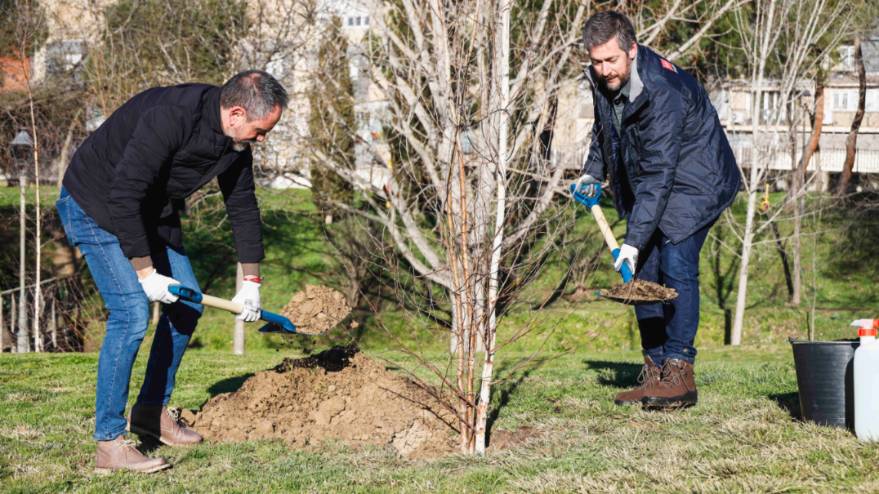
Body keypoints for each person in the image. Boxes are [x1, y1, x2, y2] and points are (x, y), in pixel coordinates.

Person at [55, 70, 287, 472]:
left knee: (187, 306)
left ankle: (150, 411)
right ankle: (109, 442)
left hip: (147, 211)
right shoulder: (171, 116)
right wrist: (145, 273)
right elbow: (124, 194)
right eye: (261, 130)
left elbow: (243, 206)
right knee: (131, 315)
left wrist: (251, 281)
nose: (262, 138)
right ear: (236, 113)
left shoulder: (234, 144)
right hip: (95, 205)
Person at [574, 12, 740, 409]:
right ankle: (655, 373)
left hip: (696, 180)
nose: (604, 70)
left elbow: (660, 173)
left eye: (611, 60)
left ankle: (680, 375)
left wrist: (632, 240)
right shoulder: (604, 79)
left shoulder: (663, 89)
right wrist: (592, 171)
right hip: (653, 179)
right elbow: (605, 128)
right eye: (596, 62)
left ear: (632, 49)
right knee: (642, 272)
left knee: (676, 261)